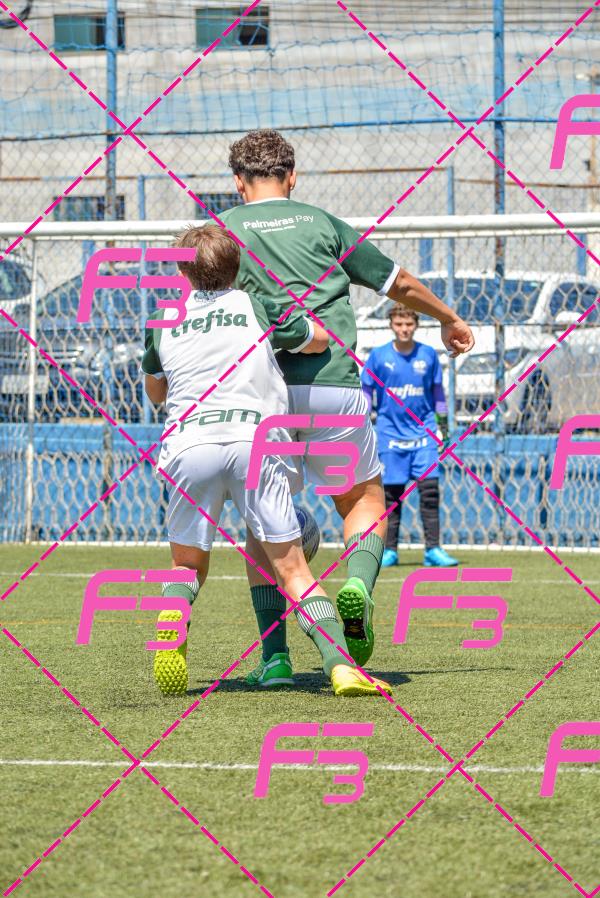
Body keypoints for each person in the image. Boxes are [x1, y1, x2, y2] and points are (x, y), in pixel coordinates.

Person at [219, 129, 474, 668]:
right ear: (292, 177)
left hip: (263, 397)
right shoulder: (322, 223)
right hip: (333, 385)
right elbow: (396, 282)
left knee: (264, 527)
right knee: (361, 501)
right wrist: (448, 317)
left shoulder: (221, 233)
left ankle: (275, 659)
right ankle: (358, 583)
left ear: (238, 181)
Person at [141, 224, 392, 698]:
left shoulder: (162, 319)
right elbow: (317, 339)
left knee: (186, 566)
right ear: (237, 268)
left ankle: (174, 617)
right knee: (294, 570)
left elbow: (156, 391)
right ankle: (341, 666)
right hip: (253, 442)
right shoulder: (256, 306)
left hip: (190, 445)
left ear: (182, 273)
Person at [361, 303, 459, 568]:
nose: (404, 329)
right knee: (392, 496)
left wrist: (443, 425)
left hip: (423, 434)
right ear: (391, 325)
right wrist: (364, 424)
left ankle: (433, 550)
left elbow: (438, 394)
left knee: (430, 492)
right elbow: (366, 392)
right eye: (399, 324)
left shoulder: (427, 355)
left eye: (408, 324)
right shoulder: (378, 357)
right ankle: (389, 551)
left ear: (416, 325)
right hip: (390, 434)